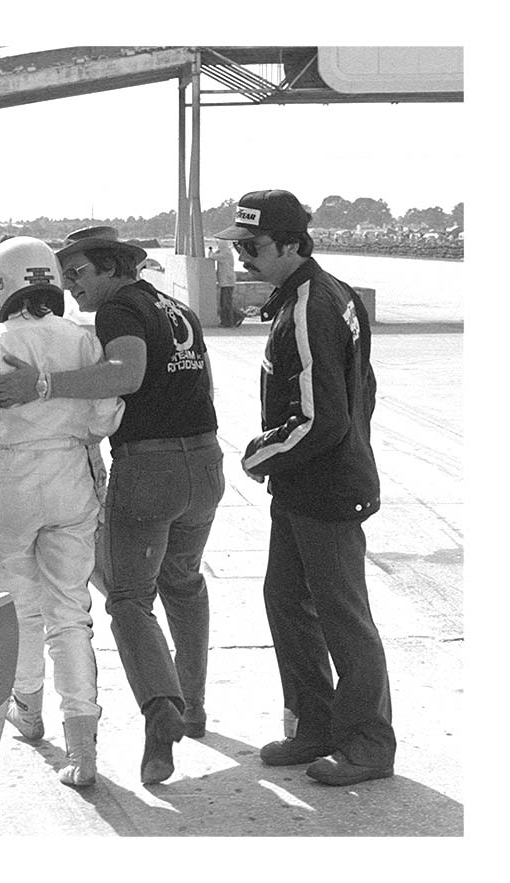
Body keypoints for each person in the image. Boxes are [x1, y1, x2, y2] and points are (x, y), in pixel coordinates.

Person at [0, 226, 224, 786]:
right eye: (63, 275)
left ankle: (160, 709)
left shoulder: (120, 309)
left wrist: (40, 386)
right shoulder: (176, 307)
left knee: (129, 598)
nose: (70, 287)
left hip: (152, 468)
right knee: (185, 581)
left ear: (114, 268)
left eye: (79, 273)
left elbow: (127, 374)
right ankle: (192, 704)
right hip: (204, 461)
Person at [215, 189, 394, 786]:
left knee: (344, 618)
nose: (243, 256)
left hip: (324, 486)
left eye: (253, 246)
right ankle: (316, 725)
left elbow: (326, 417)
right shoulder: (314, 295)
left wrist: (259, 455)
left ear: (291, 244)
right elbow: (361, 390)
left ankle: (368, 742)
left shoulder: (313, 305)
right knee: (286, 602)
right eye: (237, 244)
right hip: (308, 484)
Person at [0, 237, 124, 787]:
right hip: (71, 478)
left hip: (9, 481)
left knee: (21, 608)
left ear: (2, 285)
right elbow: (103, 419)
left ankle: (27, 711)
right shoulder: (84, 340)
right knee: (71, 613)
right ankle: (83, 745)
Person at [211, 238, 244, 327]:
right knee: (225, 302)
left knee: (225, 303)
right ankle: (236, 317)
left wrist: (211, 251)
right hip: (225, 281)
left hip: (227, 282)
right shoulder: (226, 252)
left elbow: (212, 256)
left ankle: (228, 322)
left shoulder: (225, 254)